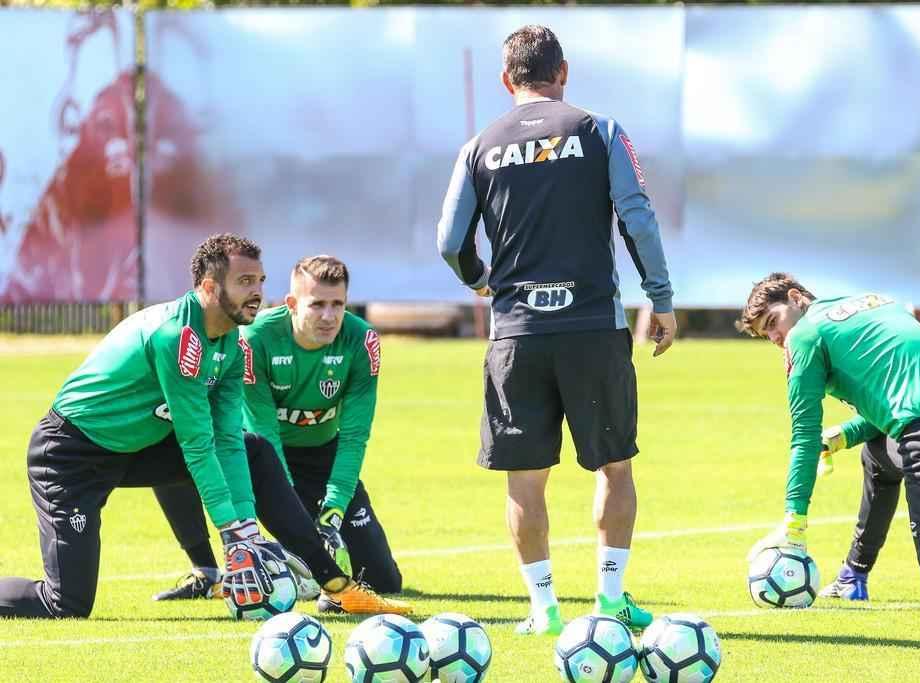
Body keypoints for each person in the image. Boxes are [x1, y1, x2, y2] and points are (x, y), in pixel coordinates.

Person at [0, 234, 409, 618]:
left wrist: (248, 529)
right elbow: (197, 445)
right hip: (71, 455)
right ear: (210, 288)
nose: (257, 292)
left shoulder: (232, 342)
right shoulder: (176, 337)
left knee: (253, 449)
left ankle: (336, 584)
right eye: (244, 281)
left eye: (260, 281)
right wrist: (232, 533)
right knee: (66, 603)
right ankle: (210, 566)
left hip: (136, 449)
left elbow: (228, 441)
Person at [436, 25, 676, 636]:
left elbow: (450, 242)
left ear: (505, 80)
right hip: (592, 327)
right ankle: (610, 600)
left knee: (525, 478)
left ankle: (543, 609)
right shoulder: (600, 131)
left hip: (516, 334)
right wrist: (660, 298)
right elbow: (637, 217)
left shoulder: (478, 147)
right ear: (563, 72)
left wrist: (481, 280)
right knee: (615, 467)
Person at [740, 272, 920, 611]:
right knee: (878, 455)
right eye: (765, 334)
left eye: (773, 322)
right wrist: (844, 435)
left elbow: (803, 435)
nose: (775, 337)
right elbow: (903, 399)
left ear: (795, 297)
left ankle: (865, 576)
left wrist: (794, 524)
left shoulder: (803, 335)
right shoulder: (872, 301)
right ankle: (853, 575)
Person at [151, 255, 403, 608]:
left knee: (384, 580)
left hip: (322, 455)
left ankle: (309, 568)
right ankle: (206, 572)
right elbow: (265, 432)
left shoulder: (361, 341)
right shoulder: (255, 338)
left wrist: (333, 510)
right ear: (292, 304)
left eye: (337, 304)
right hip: (261, 456)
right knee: (175, 460)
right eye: (317, 304)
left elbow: (354, 437)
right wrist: (294, 523)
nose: (329, 316)